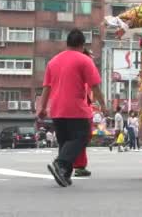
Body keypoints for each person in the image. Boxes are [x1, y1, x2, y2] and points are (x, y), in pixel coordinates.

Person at [37, 29, 107, 187]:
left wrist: (42, 108)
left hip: (57, 109)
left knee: (65, 142)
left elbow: (46, 87)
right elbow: (94, 86)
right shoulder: (84, 60)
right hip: (76, 109)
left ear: (67, 43)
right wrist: (103, 105)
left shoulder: (53, 61)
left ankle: (64, 174)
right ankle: (60, 164)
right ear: (82, 45)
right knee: (81, 137)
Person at [72, 48, 96, 177]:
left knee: (73, 139)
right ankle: (76, 166)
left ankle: (75, 165)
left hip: (69, 108)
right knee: (81, 138)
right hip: (80, 110)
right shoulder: (83, 72)